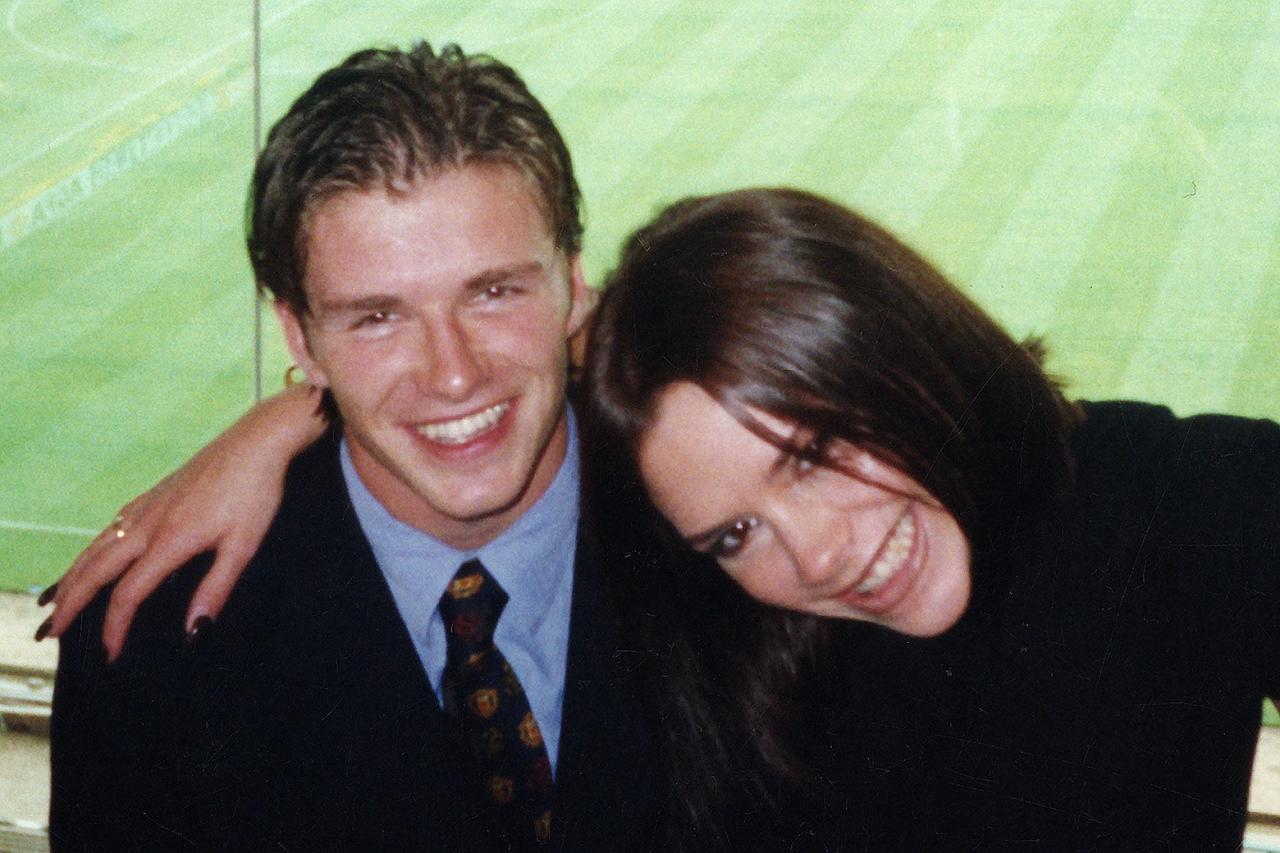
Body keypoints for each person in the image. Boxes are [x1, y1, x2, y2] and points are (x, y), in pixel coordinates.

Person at [46, 188, 1280, 850]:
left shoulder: (1189, 501)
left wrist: (297, 411)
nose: (820, 552)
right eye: (733, 534)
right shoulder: (743, 623)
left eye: (814, 452)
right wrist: (308, 413)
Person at [46, 42, 658, 852]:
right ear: (300, 337)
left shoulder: (741, 542)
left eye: (494, 291)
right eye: (377, 316)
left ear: (575, 285)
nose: (452, 374)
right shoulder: (153, 650)